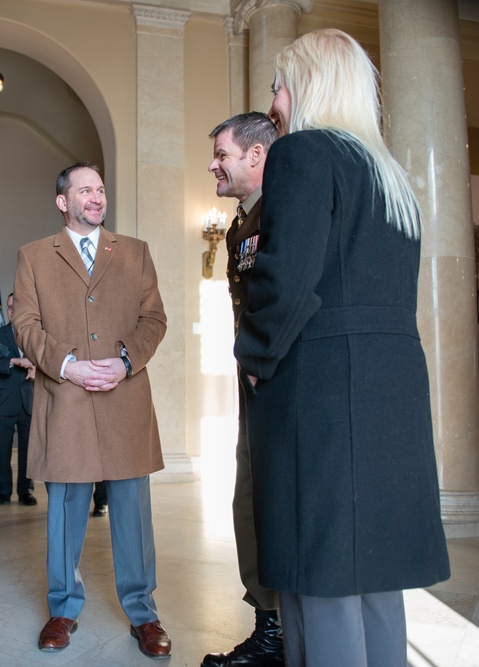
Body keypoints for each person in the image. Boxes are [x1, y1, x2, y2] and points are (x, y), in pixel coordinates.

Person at [234, 29, 450, 666]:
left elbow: (284, 279)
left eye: (278, 83)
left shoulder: (303, 153)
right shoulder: (390, 173)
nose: (273, 100)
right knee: (375, 577)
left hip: (322, 393)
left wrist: (254, 358)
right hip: (389, 391)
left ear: (307, 83)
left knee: (317, 576)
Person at [13, 163, 172, 659]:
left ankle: (143, 614)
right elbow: (25, 324)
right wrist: (66, 366)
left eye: (100, 189)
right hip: (67, 399)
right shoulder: (34, 256)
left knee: (133, 514)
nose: (96, 197)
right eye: (85, 190)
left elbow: (154, 318)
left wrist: (125, 361)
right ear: (63, 201)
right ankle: (63, 608)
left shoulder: (136, 252)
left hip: (124, 398)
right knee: (64, 511)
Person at [201, 111, 283, 667]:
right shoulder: (239, 224)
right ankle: (270, 625)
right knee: (249, 498)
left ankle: (284, 629)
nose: (213, 164)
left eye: (223, 154)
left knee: (275, 501)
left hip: (284, 383)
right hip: (254, 384)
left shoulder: (283, 212)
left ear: (256, 155)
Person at [0, 292, 38, 506]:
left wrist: (36, 368)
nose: (11, 311)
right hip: (3, 400)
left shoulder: (35, 335)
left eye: (15, 306)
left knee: (28, 450)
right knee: (1, 448)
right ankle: (3, 491)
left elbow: (45, 360)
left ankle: (25, 491)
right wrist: (15, 361)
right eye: (9, 307)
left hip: (28, 400)